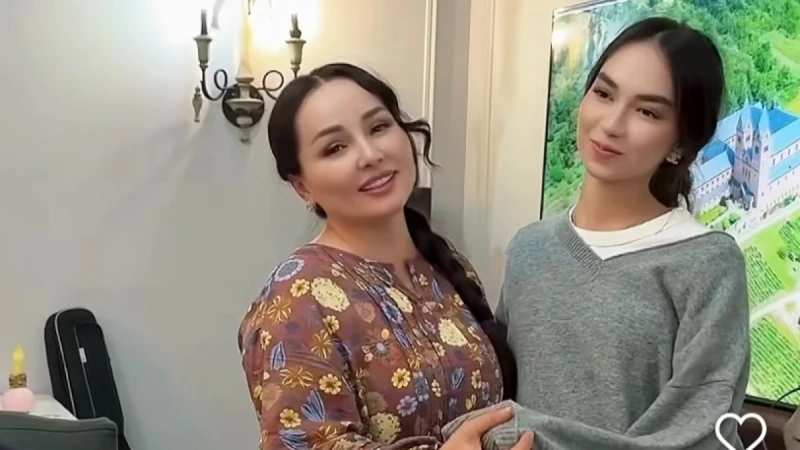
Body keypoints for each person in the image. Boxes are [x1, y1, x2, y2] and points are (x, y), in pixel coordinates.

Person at [450, 17, 750, 450]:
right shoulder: (529, 248)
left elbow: (701, 431)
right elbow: (501, 389)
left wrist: (523, 431)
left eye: (647, 111)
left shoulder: (706, 263)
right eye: (604, 93)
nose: (611, 123)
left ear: (681, 145)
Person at [237, 62, 533, 450]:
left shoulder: (446, 267)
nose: (370, 154)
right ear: (302, 186)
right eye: (335, 148)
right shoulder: (297, 295)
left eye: (378, 127)